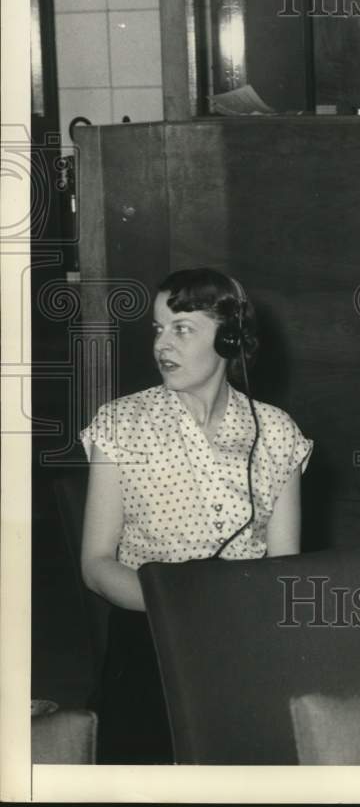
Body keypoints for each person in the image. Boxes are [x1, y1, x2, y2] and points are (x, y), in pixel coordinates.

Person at [80, 268, 312, 763]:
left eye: (182, 328)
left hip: (245, 629)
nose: (162, 344)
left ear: (229, 339)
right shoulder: (120, 423)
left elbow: (284, 567)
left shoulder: (277, 433)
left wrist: (237, 616)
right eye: (157, 329)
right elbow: (96, 564)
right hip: (149, 631)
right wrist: (176, 607)